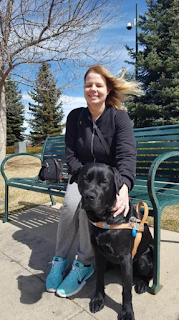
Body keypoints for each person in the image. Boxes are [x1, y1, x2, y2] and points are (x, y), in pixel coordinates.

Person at [46, 65, 143, 298]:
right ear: (84, 89)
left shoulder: (119, 118)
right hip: (83, 178)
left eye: (99, 85)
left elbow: (127, 156)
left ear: (108, 89)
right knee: (71, 205)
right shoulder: (75, 117)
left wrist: (123, 188)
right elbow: (70, 154)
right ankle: (60, 259)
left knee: (87, 210)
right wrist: (82, 179)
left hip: (109, 182)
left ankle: (84, 264)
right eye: (89, 84)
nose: (93, 89)